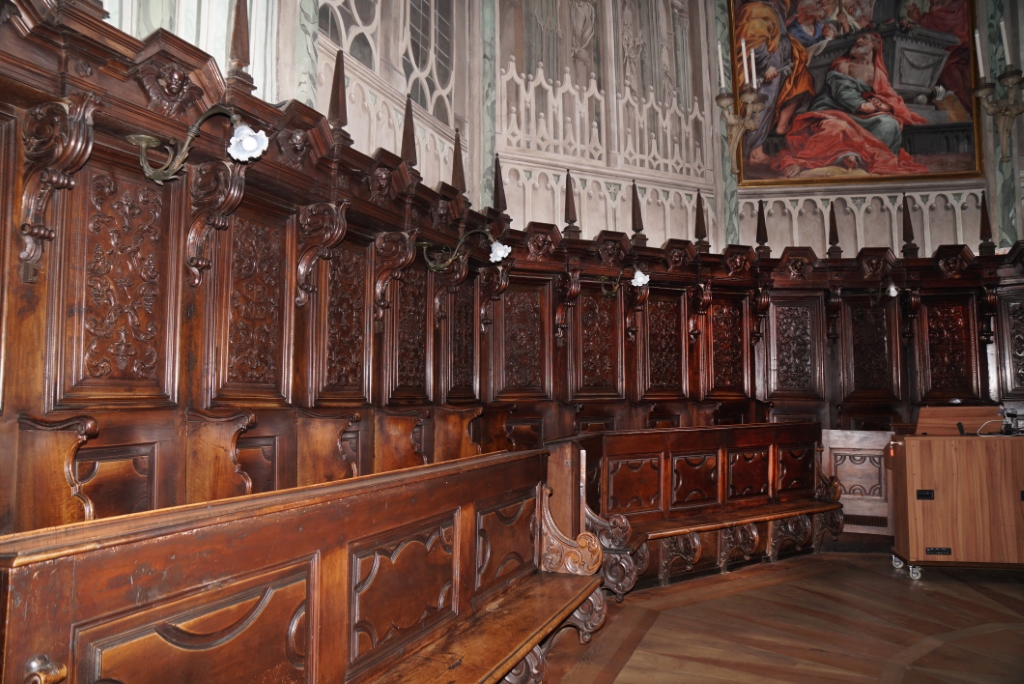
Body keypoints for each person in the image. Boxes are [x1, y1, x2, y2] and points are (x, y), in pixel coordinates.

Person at [771, 33, 929, 176]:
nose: (858, 40)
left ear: (874, 45)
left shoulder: (877, 72)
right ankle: (804, 162)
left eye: (864, 38)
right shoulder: (844, 65)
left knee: (889, 124)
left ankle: (857, 156)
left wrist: (884, 105)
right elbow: (842, 91)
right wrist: (861, 105)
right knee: (837, 127)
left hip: (858, 116)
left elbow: (888, 95)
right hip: (831, 110)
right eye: (857, 40)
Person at [735, 0, 817, 165]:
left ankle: (782, 124)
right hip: (766, 64)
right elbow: (753, 36)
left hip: (777, 59)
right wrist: (766, 64)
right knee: (763, 100)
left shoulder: (772, 7)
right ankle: (754, 151)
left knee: (801, 81)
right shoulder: (756, 8)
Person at [902, 0, 972, 111]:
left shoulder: (962, 5)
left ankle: (971, 112)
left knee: (958, 82)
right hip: (942, 56)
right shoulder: (935, 5)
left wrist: (920, 19)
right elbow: (932, 26)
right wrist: (918, 19)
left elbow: (950, 25)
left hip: (960, 53)